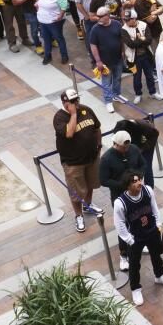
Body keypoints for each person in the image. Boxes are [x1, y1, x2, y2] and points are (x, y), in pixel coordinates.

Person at [113, 172, 163, 307]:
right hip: (135, 237)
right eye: (135, 181)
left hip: (151, 231)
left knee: (156, 255)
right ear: (128, 186)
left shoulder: (148, 190)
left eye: (139, 179)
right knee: (134, 264)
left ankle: (160, 275)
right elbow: (119, 224)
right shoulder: (120, 203)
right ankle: (135, 288)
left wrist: (157, 224)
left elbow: (154, 208)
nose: (139, 182)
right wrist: (130, 240)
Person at [53, 88, 101, 232]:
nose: (77, 103)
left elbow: (97, 127)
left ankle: (88, 205)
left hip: (91, 157)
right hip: (73, 163)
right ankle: (78, 215)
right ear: (65, 103)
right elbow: (69, 133)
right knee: (76, 192)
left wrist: (98, 144)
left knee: (90, 184)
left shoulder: (86, 110)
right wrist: (73, 114)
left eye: (77, 99)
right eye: (73, 101)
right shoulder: (59, 117)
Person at [98, 130, 147, 267]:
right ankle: (124, 255)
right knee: (123, 223)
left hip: (136, 192)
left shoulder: (134, 149)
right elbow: (103, 180)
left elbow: (142, 164)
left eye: (127, 146)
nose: (126, 149)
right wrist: (122, 185)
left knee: (140, 218)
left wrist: (138, 178)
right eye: (123, 147)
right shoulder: (107, 159)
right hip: (119, 196)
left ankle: (141, 243)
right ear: (115, 144)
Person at [88, 6, 125, 113]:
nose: (98, 18)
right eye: (97, 16)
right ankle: (108, 101)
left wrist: (122, 51)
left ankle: (116, 95)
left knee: (118, 78)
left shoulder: (117, 24)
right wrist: (98, 61)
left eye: (101, 16)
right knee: (106, 82)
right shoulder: (95, 29)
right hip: (104, 62)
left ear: (108, 15)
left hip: (117, 58)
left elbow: (121, 38)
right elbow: (93, 46)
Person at [121, 9, 157, 100]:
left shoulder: (144, 25)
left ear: (134, 19)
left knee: (149, 75)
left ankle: (153, 92)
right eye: (125, 19)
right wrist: (142, 39)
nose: (125, 21)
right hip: (133, 59)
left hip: (146, 55)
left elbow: (149, 40)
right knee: (136, 77)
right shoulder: (124, 29)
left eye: (127, 19)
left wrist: (139, 40)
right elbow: (131, 45)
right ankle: (138, 94)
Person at [35, 0, 70, 65]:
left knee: (59, 38)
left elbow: (64, 5)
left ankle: (64, 56)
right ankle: (47, 56)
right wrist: (37, 3)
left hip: (54, 22)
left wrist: (60, 15)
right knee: (46, 39)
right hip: (43, 21)